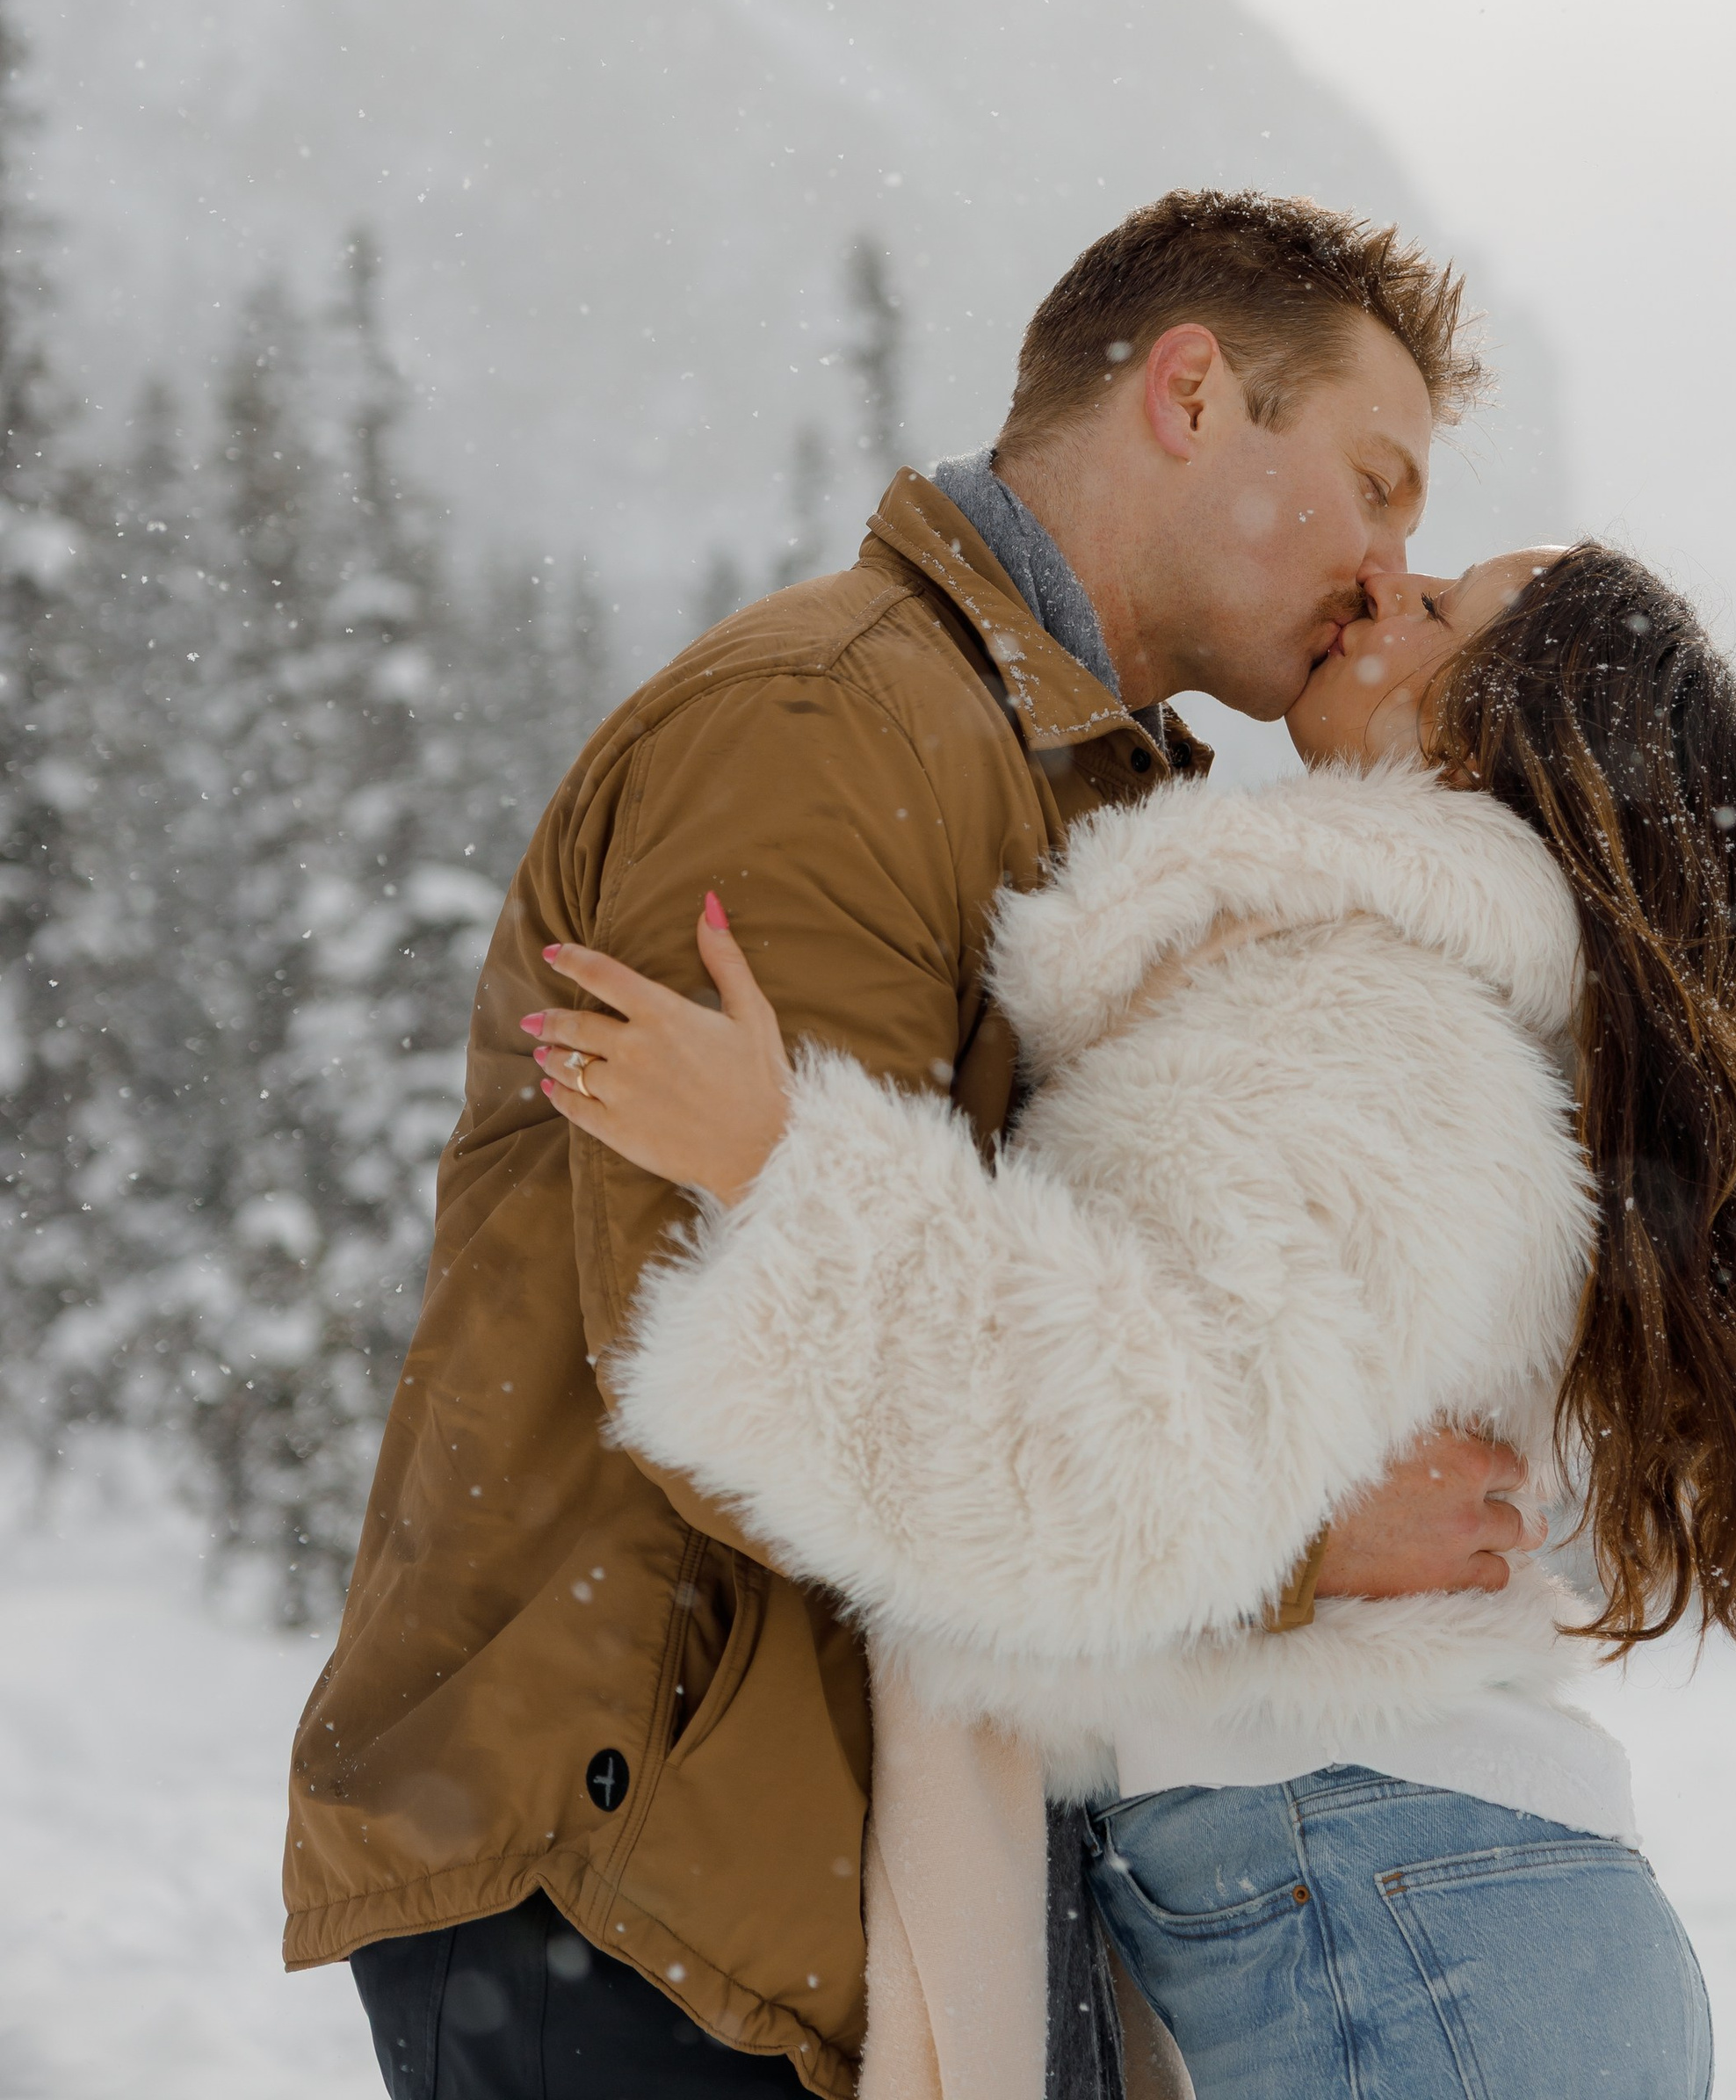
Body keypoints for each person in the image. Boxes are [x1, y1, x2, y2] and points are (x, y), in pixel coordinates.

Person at [288, 189, 1547, 2100]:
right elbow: (740, 1352)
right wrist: (1290, 1536)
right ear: (1192, 393)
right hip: (644, 1880)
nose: (1388, 570)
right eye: (1373, 487)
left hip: (787, 1870)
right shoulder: (828, 728)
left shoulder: (1041, 780)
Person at [532, 539, 1736, 2100]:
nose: (1386, 585)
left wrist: (782, 1163)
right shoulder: (1445, 1004)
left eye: (1442, 611)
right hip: (1435, 1907)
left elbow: (1112, 1473)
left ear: (1493, 735)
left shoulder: (1357, 1003)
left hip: (1392, 1904)